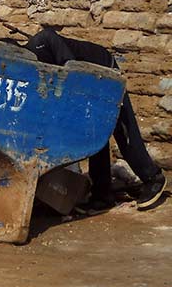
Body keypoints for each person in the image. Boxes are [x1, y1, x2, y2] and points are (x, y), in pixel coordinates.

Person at [21, 28, 167, 212]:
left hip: (104, 71)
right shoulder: (29, 67)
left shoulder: (45, 39)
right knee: (94, 135)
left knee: (122, 129)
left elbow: (73, 70)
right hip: (86, 79)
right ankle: (102, 193)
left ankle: (153, 177)